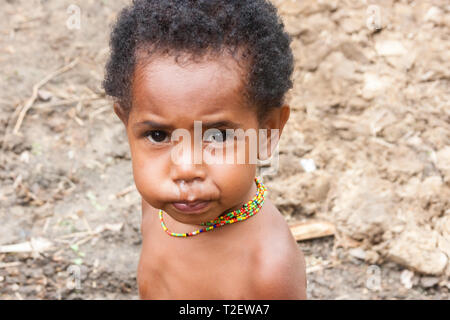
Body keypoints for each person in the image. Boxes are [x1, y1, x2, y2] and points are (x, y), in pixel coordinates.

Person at [103, 0, 306, 300]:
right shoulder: (158, 204)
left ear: (267, 131)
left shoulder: (269, 266)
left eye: (218, 136)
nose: (185, 169)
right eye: (158, 135)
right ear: (126, 124)